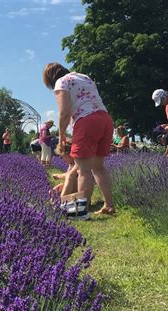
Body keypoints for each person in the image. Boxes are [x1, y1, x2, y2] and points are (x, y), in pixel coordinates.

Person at [43, 62, 115, 218]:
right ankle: (109, 205)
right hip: (105, 119)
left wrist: (61, 134)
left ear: (50, 78)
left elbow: (64, 112)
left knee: (84, 170)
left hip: (87, 121)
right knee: (98, 167)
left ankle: (80, 211)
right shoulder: (84, 77)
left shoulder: (61, 82)